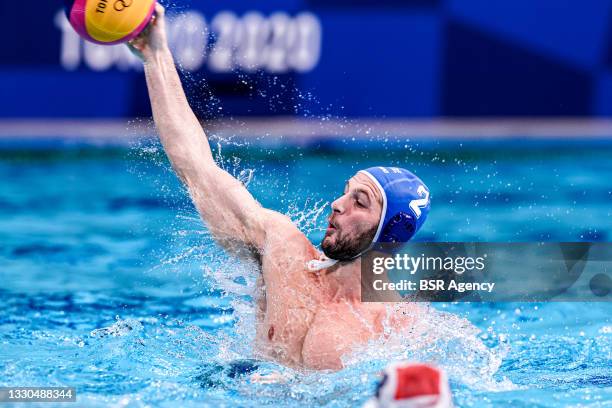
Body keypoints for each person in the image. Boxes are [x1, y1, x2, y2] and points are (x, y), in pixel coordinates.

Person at [128, 4, 431, 370]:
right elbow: (197, 168)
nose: (337, 204)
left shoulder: (396, 328)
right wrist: (154, 54)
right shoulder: (282, 251)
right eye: (345, 191)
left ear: (389, 235)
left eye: (359, 202)